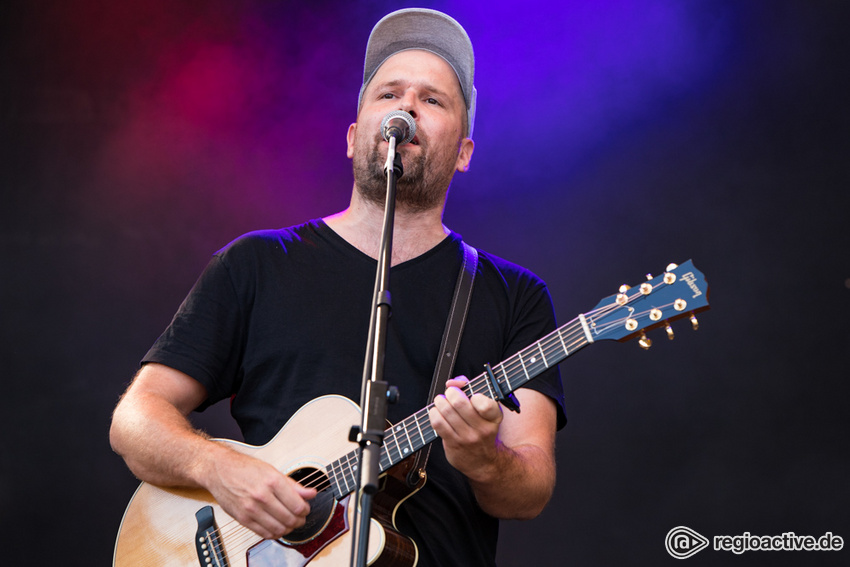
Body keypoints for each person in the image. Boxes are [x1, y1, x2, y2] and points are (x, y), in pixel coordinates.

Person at [110, 8, 566, 566]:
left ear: (465, 152)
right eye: (389, 94)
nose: (406, 108)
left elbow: (531, 491)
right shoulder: (257, 263)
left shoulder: (514, 295)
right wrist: (221, 470)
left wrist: (484, 458)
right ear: (354, 137)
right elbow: (135, 420)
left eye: (433, 100)